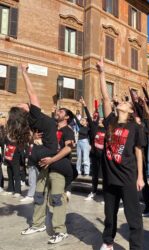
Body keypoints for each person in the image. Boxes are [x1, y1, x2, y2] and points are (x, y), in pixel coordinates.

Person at [19, 64, 74, 244]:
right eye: (58, 111)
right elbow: (28, 138)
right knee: (39, 196)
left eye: (61, 111)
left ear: (66, 118)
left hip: (57, 166)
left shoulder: (68, 131)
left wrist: (52, 159)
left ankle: (60, 230)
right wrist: (32, 137)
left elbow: (67, 149)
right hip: (44, 165)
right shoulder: (47, 125)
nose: (57, 112)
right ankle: (37, 223)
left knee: (56, 198)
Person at [97, 58, 145, 250]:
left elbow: (138, 152)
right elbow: (105, 97)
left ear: (131, 110)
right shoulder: (111, 122)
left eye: (126, 103)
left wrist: (140, 177)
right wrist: (102, 72)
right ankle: (108, 243)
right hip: (110, 177)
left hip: (128, 176)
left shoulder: (135, 127)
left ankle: (136, 247)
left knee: (133, 216)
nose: (121, 103)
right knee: (110, 214)